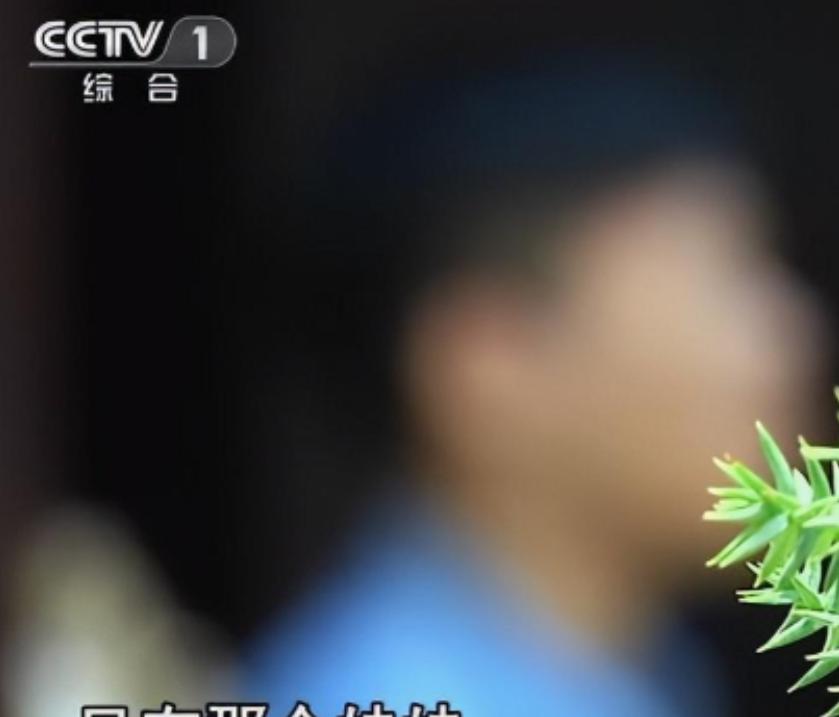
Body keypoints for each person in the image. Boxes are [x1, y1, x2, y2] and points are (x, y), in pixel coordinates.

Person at [244, 58, 825, 716]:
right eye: (723, 274)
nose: (792, 337)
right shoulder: (377, 694)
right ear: (488, 361)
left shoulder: (634, 662)